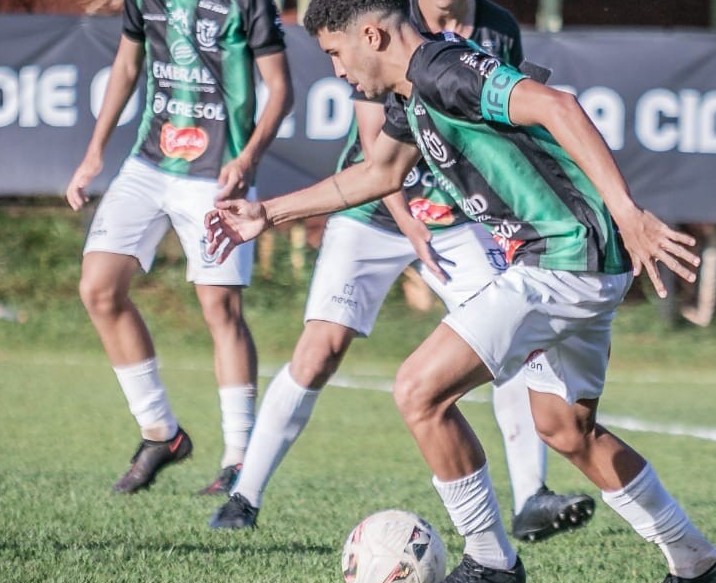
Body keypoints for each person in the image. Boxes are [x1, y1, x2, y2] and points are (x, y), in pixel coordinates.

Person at [206, 0, 716, 583]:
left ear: (373, 35)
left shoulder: (444, 69)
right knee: (567, 429)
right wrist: (267, 213)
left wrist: (627, 210)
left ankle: (490, 560)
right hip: (574, 261)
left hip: (562, 259)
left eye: (335, 53)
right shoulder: (411, 91)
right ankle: (698, 563)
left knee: (417, 391)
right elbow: (378, 172)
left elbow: (558, 105)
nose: (337, 72)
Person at [206, 0, 595, 544]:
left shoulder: (497, 26)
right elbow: (378, 155)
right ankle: (244, 493)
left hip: (461, 217)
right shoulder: (386, 23)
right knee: (320, 349)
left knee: (512, 344)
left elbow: (513, 120)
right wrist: (407, 221)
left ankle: (531, 497)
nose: (337, 69)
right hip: (376, 212)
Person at [66, 0, 292, 493]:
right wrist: (93, 154)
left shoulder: (249, 4)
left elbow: (280, 89)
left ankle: (238, 457)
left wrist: (249, 157)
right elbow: (127, 64)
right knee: (98, 288)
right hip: (149, 163)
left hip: (217, 173)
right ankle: (160, 432)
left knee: (220, 309)